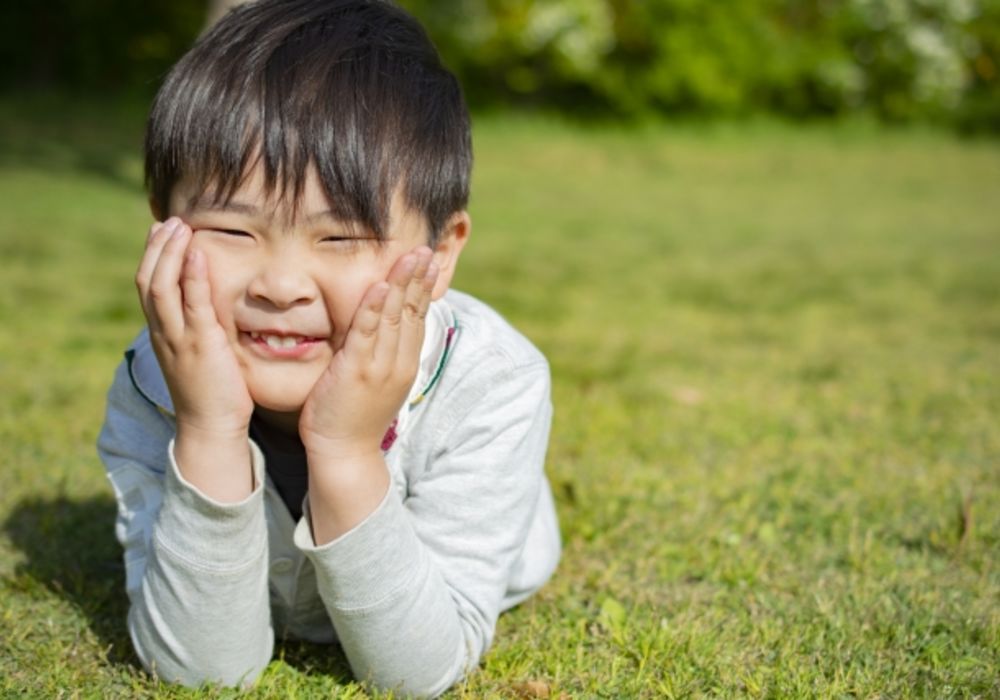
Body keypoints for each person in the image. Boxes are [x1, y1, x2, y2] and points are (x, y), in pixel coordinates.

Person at [96, 1, 561, 696]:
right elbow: (202, 671)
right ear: (164, 228)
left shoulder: (493, 383)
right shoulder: (153, 378)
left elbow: (417, 675)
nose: (281, 285)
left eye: (340, 238)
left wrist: (345, 450)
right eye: (230, 230)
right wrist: (208, 429)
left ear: (440, 254)